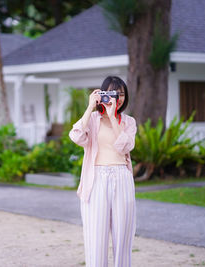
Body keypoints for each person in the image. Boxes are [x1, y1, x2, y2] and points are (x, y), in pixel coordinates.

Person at [69, 76, 137, 267]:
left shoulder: (128, 122)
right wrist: (90, 107)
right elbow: (76, 136)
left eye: (121, 94)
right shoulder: (92, 119)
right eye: (113, 93)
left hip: (122, 178)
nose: (118, 98)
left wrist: (113, 116)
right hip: (96, 179)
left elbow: (125, 146)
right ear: (102, 94)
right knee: (95, 236)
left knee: (123, 235)